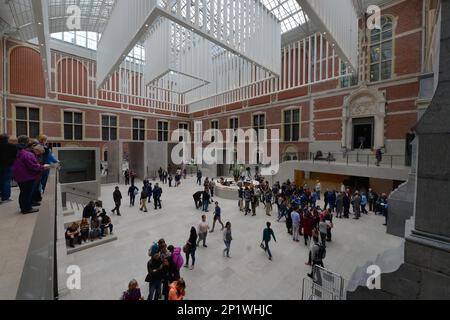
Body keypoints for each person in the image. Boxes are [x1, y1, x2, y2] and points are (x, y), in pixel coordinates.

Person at [12, 141, 51, 214]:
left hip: (20, 176)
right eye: (39, 153)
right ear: (36, 150)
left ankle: (25, 207)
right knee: (26, 193)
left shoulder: (23, 152)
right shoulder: (29, 155)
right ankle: (26, 208)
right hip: (26, 176)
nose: (38, 155)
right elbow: (33, 166)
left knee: (24, 192)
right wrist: (43, 167)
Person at [0, 134, 18, 203]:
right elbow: (15, 156)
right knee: (6, 181)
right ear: (7, 139)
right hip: (8, 165)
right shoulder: (12, 146)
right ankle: (5, 197)